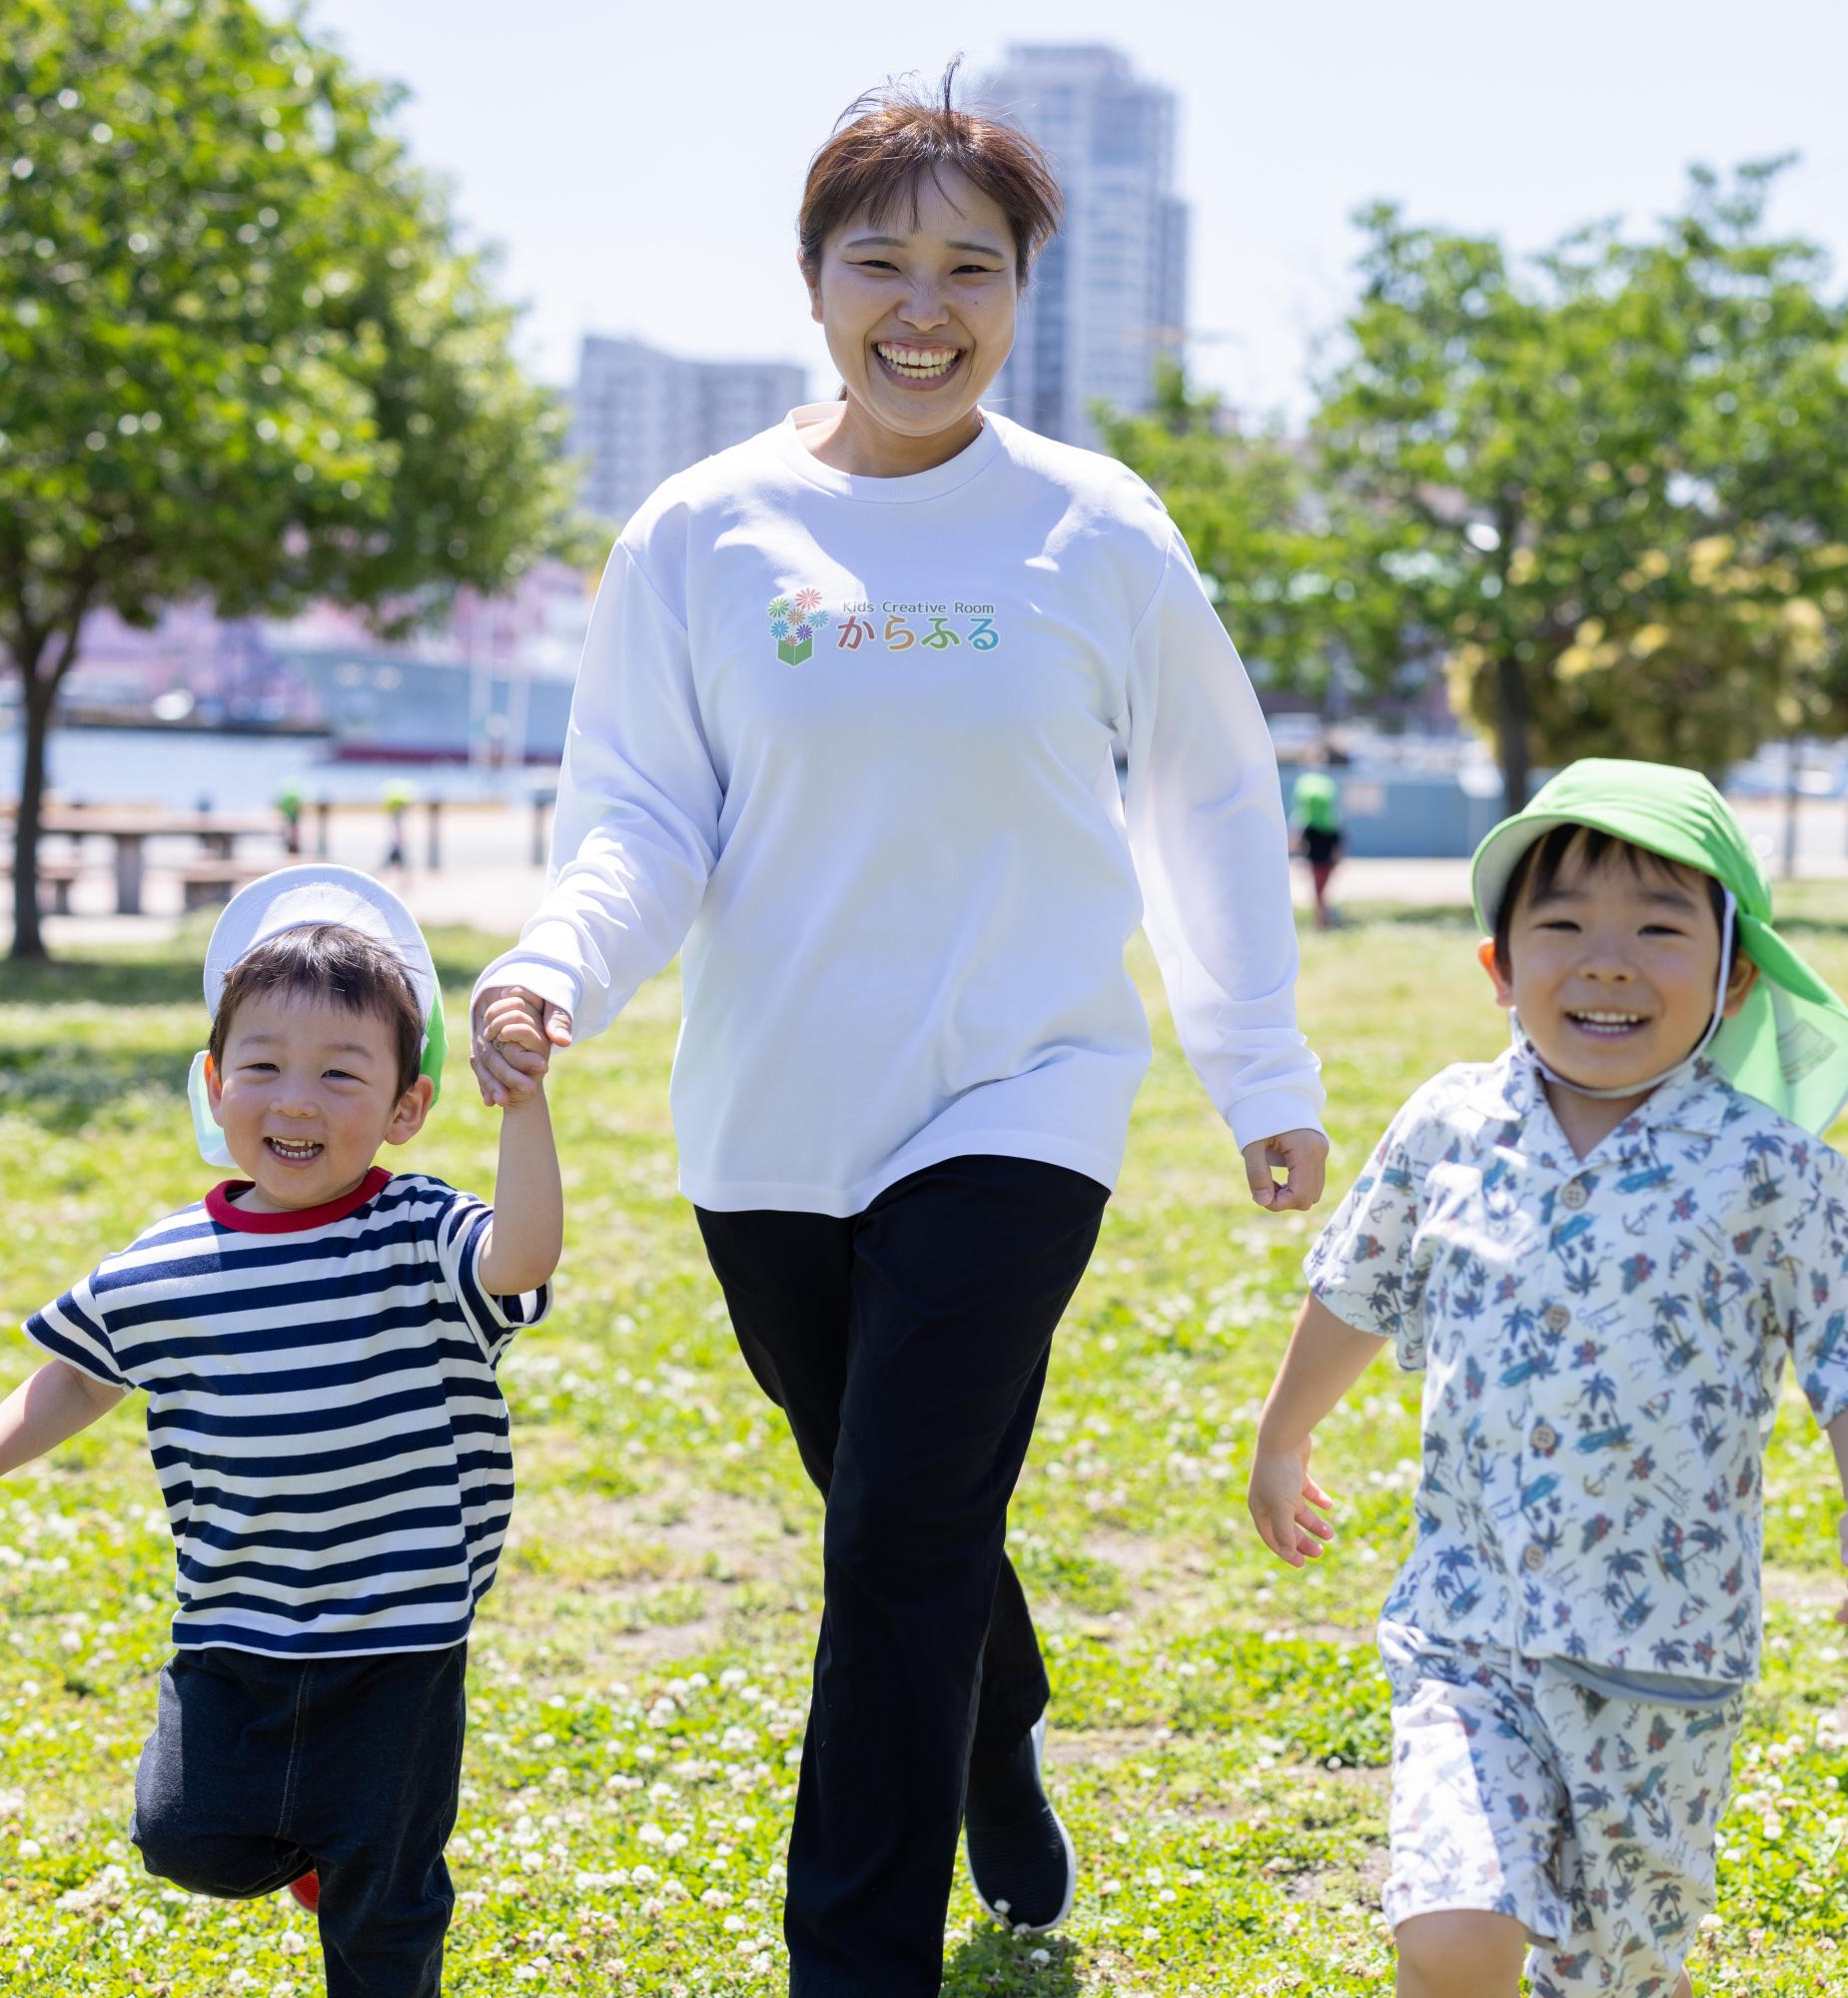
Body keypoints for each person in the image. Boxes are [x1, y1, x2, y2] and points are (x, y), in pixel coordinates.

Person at [463, 69, 1326, 1995]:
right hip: (772, 1124)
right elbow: (641, 813)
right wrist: (555, 967)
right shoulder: (700, 532)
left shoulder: (1097, 529)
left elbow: (1208, 799)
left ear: (1022, 292)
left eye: (970, 268)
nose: (923, 308)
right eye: (881, 263)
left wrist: (1257, 1069)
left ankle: (854, 1965)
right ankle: (994, 1728)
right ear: (813, 282)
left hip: (1024, 1098)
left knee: (894, 1546)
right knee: (891, 1512)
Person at [1245, 760, 1848, 1998]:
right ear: (1499, 966)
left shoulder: (1773, 1168)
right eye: (1565, 924)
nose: (1609, 962)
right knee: (1450, 1932)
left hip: (1664, 1656)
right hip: (1467, 1627)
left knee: (1617, 1971)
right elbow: (1358, 1282)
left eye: (1659, 929)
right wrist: (1282, 1434)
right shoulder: (1449, 1124)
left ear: (1736, 977)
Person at [0, 865, 562, 1998]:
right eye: (265, 1066)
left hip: (402, 1619)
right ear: (213, 1083)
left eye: (341, 1073)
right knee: (184, 1833)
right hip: (237, 1610)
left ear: (406, 1107)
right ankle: (314, 1851)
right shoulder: (165, 1263)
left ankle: (358, 1877)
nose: (297, 1101)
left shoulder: (421, 1231)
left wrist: (523, 1108)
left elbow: (520, 1260)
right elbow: (81, 1375)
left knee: (386, 1890)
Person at [1292, 747, 1348, 929]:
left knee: (1321, 883)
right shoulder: (1307, 783)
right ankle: (1322, 917)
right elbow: (1301, 814)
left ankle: (1323, 916)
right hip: (1315, 835)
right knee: (1319, 882)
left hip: (1326, 835)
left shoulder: (1323, 783)